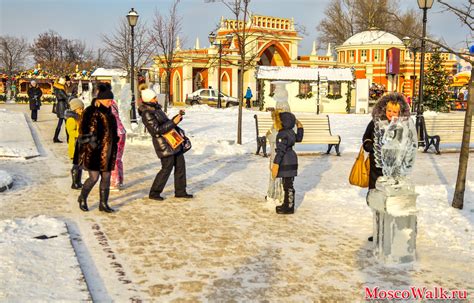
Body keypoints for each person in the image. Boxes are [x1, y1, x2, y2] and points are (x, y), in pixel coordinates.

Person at [362, 92, 411, 241]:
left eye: (394, 111)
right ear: (384, 109)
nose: (390, 114)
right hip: (377, 169)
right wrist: (369, 145)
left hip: (394, 170)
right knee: (377, 200)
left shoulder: (402, 126)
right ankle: (378, 231)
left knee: (391, 200)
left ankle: (390, 230)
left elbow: (408, 144)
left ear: (400, 112)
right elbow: (366, 137)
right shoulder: (376, 123)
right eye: (388, 110)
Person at [138, 88, 192, 201]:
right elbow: (156, 130)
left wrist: (176, 119)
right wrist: (173, 122)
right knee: (166, 168)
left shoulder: (157, 109)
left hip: (172, 141)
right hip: (163, 145)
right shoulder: (147, 113)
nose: (156, 99)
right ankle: (154, 192)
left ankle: (180, 191)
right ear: (148, 99)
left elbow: (166, 123)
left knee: (180, 165)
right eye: (154, 97)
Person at [77, 84, 119, 213]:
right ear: (99, 99)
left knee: (106, 177)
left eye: (111, 100)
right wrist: (95, 145)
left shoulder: (110, 114)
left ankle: (103, 203)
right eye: (108, 100)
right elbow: (84, 132)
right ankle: (82, 198)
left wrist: (114, 141)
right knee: (94, 178)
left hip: (108, 151)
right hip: (93, 152)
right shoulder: (90, 111)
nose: (110, 102)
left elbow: (113, 132)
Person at [271, 111, 304, 214]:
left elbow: (281, 151)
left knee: (287, 185)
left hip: (286, 161)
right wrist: (300, 128)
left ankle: (289, 207)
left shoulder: (282, 134)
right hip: (292, 159)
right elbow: (299, 138)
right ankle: (287, 204)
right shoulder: (290, 132)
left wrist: (276, 164)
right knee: (289, 183)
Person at [65, 98, 85, 190]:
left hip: (80, 143)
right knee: (76, 164)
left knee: (79, 164)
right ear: (74, 109)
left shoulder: (79, 117)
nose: (82, 110)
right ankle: (74, 183)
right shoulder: (71, 119)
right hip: (75, 144)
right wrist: (80, 134)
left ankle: (78, 182)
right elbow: (71, 132)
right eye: (80, 108)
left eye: (82, 108)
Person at [110, 99, 126, 191]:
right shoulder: (113, 102)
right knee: (118, 158)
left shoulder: (106, 105)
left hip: (115, 132)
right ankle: (119, 180)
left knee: (113, 158)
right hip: (121, 131)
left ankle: (114, 182)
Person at [53, 77, 69, 143]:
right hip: (63, 107)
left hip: (60, 106)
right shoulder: (60, 89)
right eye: (64, 81)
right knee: (67, 123)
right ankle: (68, 138)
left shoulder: (57, 88)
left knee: (61, 123)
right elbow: (66, 97)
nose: (65, 82)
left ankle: (55, 138)